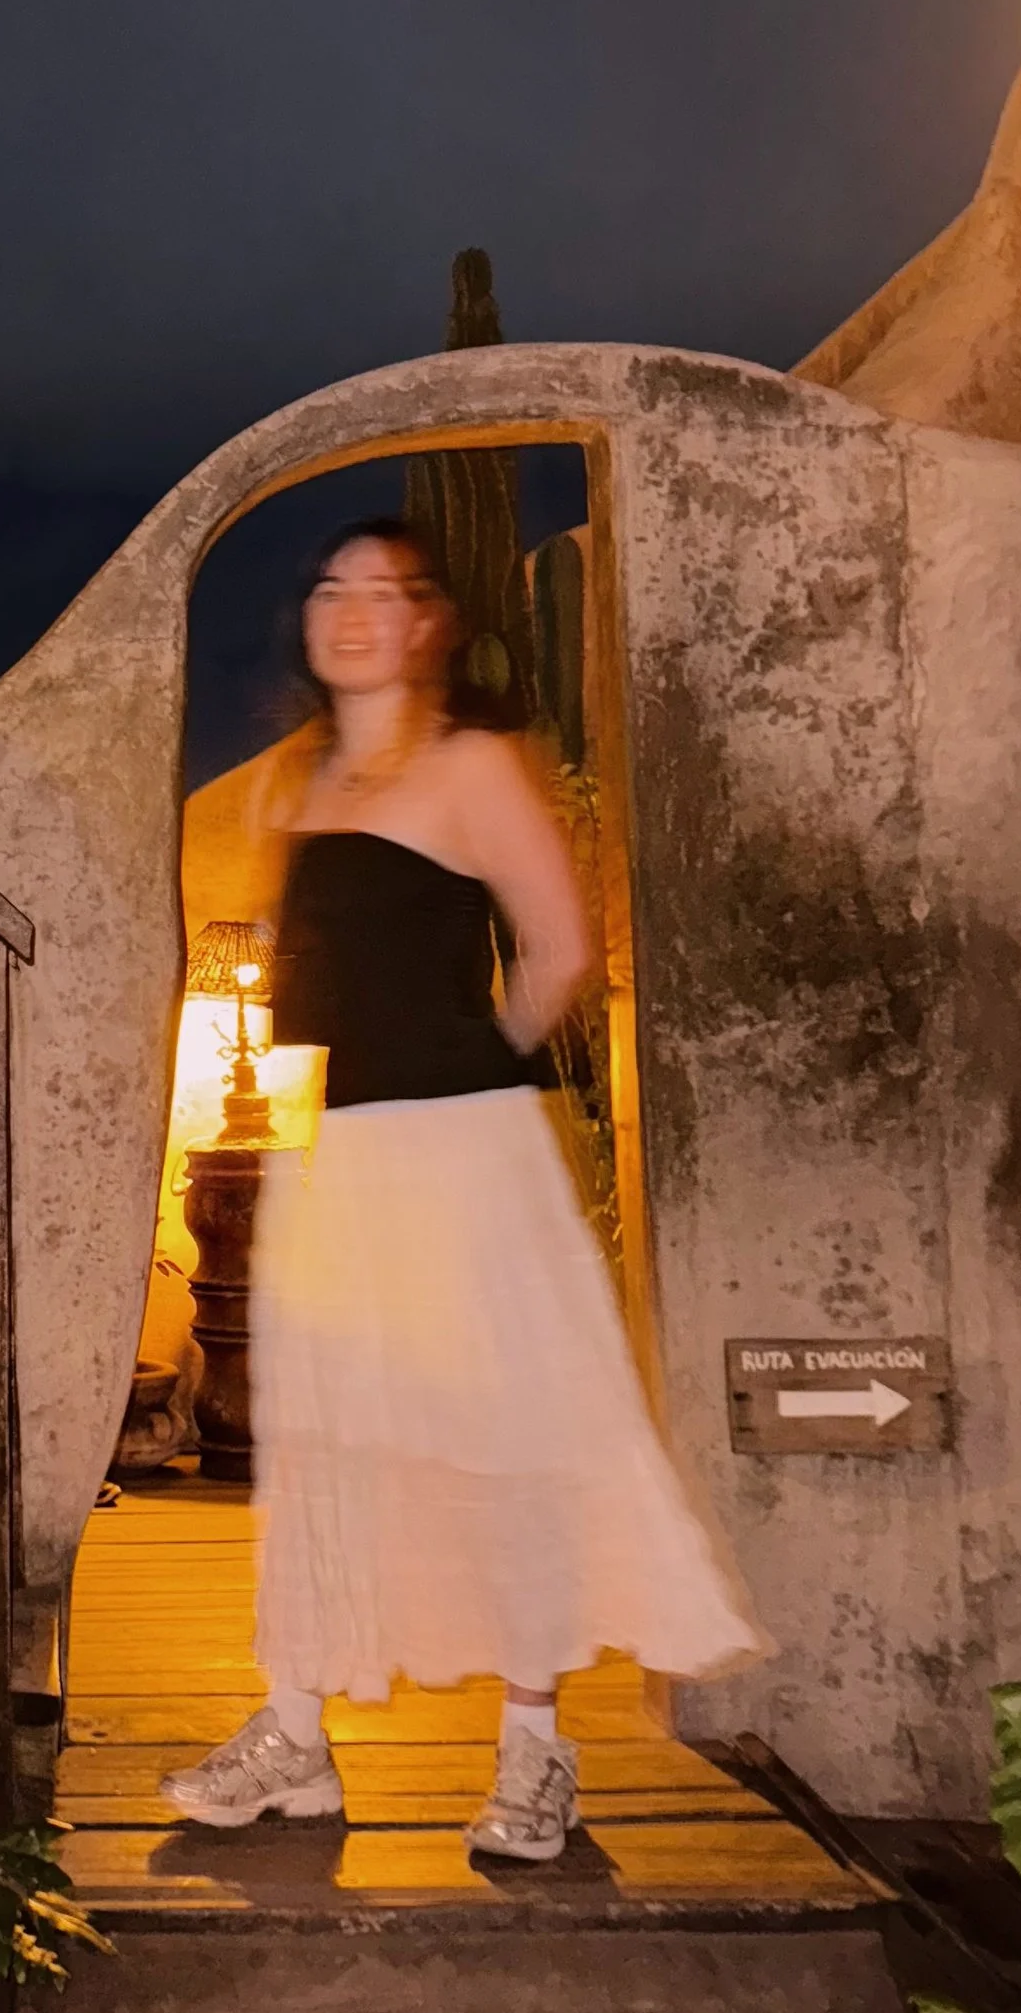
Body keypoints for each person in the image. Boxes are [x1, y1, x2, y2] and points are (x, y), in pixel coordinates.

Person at [161, 517, 763, 1861]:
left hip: (466, 1153)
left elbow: (556, 949)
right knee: (322, 1443)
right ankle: (297, 1740)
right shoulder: (301, 787)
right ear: (312, 622)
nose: (357, 607)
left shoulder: (475, 764)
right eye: (335, 584)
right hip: (344, 1162)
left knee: (506, 1446)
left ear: (430, 623)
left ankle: (537, 1753)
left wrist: (469, 1082)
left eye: (389, 589)